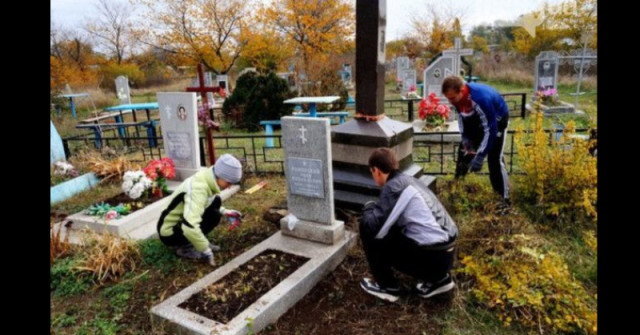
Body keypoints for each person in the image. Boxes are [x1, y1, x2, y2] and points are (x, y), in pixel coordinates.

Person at [359, 148, 458, 302]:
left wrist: (368, 208)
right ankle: (440, 280)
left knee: (367, 226)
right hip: (446, 254)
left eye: (371, 172)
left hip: (431, 257)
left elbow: (373, 228)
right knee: (392, 227)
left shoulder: (392, 187)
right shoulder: (410, 180)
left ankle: (387, 287)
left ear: (376, 170)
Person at [156, 154, 243, 265]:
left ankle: (195, 242)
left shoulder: (208, 178)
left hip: (181, 221)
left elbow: (206, 204)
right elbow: (189, 226)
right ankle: (185, 248)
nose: (230, 186)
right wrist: (205, 248)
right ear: (219, 175)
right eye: (229, 182)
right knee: (212, 214)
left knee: (216, 204)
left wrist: (226, 212)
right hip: (169, 231)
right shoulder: (198, 189)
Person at [442, 75, 511, 208]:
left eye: (452, 98)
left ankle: (504, 200)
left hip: (497, 120)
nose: (450, 102)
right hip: (477, 119)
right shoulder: (457, 99)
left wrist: (480, 156)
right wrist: (467, 142)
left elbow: (490, 130)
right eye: (448, 98)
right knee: (464, 153)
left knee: (494, 160)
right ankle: (457, 189)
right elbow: (462, 119)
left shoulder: (481, 99)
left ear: (461, 90)